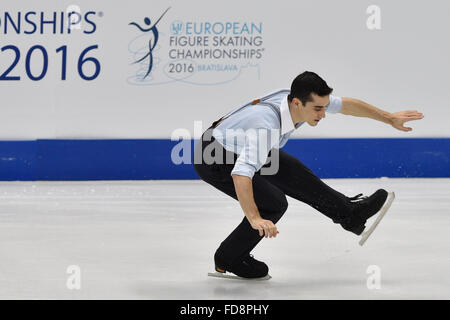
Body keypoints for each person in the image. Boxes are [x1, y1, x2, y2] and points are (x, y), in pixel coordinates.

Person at [193, 71, 424, 279]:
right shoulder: (266, 126)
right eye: (318, 109)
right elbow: (241, 174)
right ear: (297, 102)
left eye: (324, 107)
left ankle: (350, 214)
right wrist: (255, 218)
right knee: (273, 204)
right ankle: (229, 258)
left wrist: (389, 118)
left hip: (237, 142)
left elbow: (346, 105)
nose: (323, 114)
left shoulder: (299, 99)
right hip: (213, 156)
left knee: (293, 170)